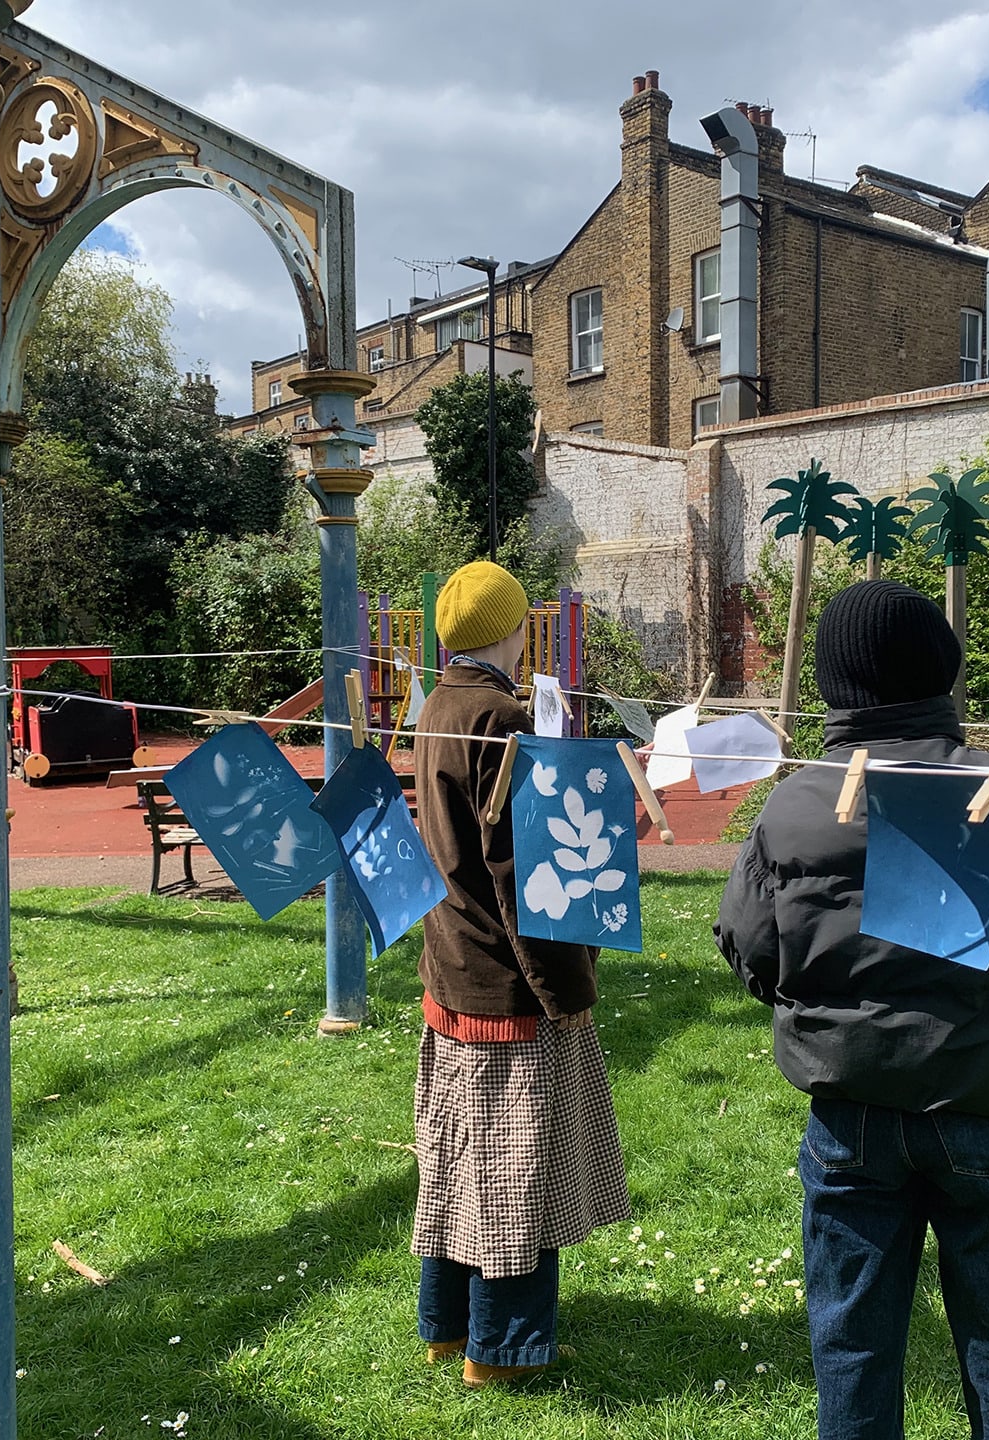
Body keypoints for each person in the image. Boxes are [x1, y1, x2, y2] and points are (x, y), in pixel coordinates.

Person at [714, 580, 989, 1440]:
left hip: (852, 1117)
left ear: (833, 687)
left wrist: (830, 999)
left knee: (853, 1355)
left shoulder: (796, 802)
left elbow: (750, 950)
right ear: (943, 675)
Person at [409, 560, 631, 1388]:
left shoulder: (436, 705)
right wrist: (564, 991)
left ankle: (446, 1327)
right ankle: (500, 1350)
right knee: (515, 1171)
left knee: (458, 1157)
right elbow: (522, 877)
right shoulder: (497, 717)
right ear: (511, 629)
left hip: (451, 968)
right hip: (504, 982)